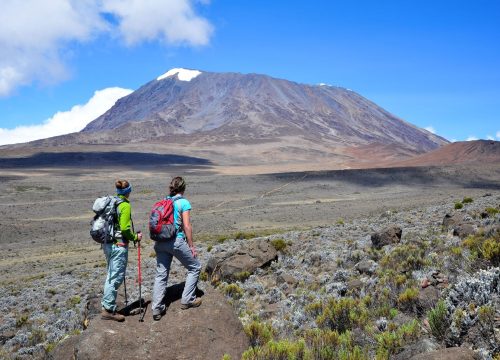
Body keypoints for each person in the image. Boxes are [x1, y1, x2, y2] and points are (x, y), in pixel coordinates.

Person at [152, 176, 202, 320]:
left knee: (161, 274)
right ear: (183, 188)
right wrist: (191, 246)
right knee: (195, 267)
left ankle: (156, 308)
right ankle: (187, 299)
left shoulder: (165, 201)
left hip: (160, 242)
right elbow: (187, 226)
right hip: (176, 241)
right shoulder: (183, 202)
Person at [101, 179, 143, 322]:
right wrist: (134, 237)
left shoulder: (112, 202)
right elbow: (125, 228)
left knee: (111, 274)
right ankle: (108, 310)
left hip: (108, 244)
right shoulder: (124, 205)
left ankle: (107, 305)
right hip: (118, 246)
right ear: (128, 191)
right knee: (116, 277)